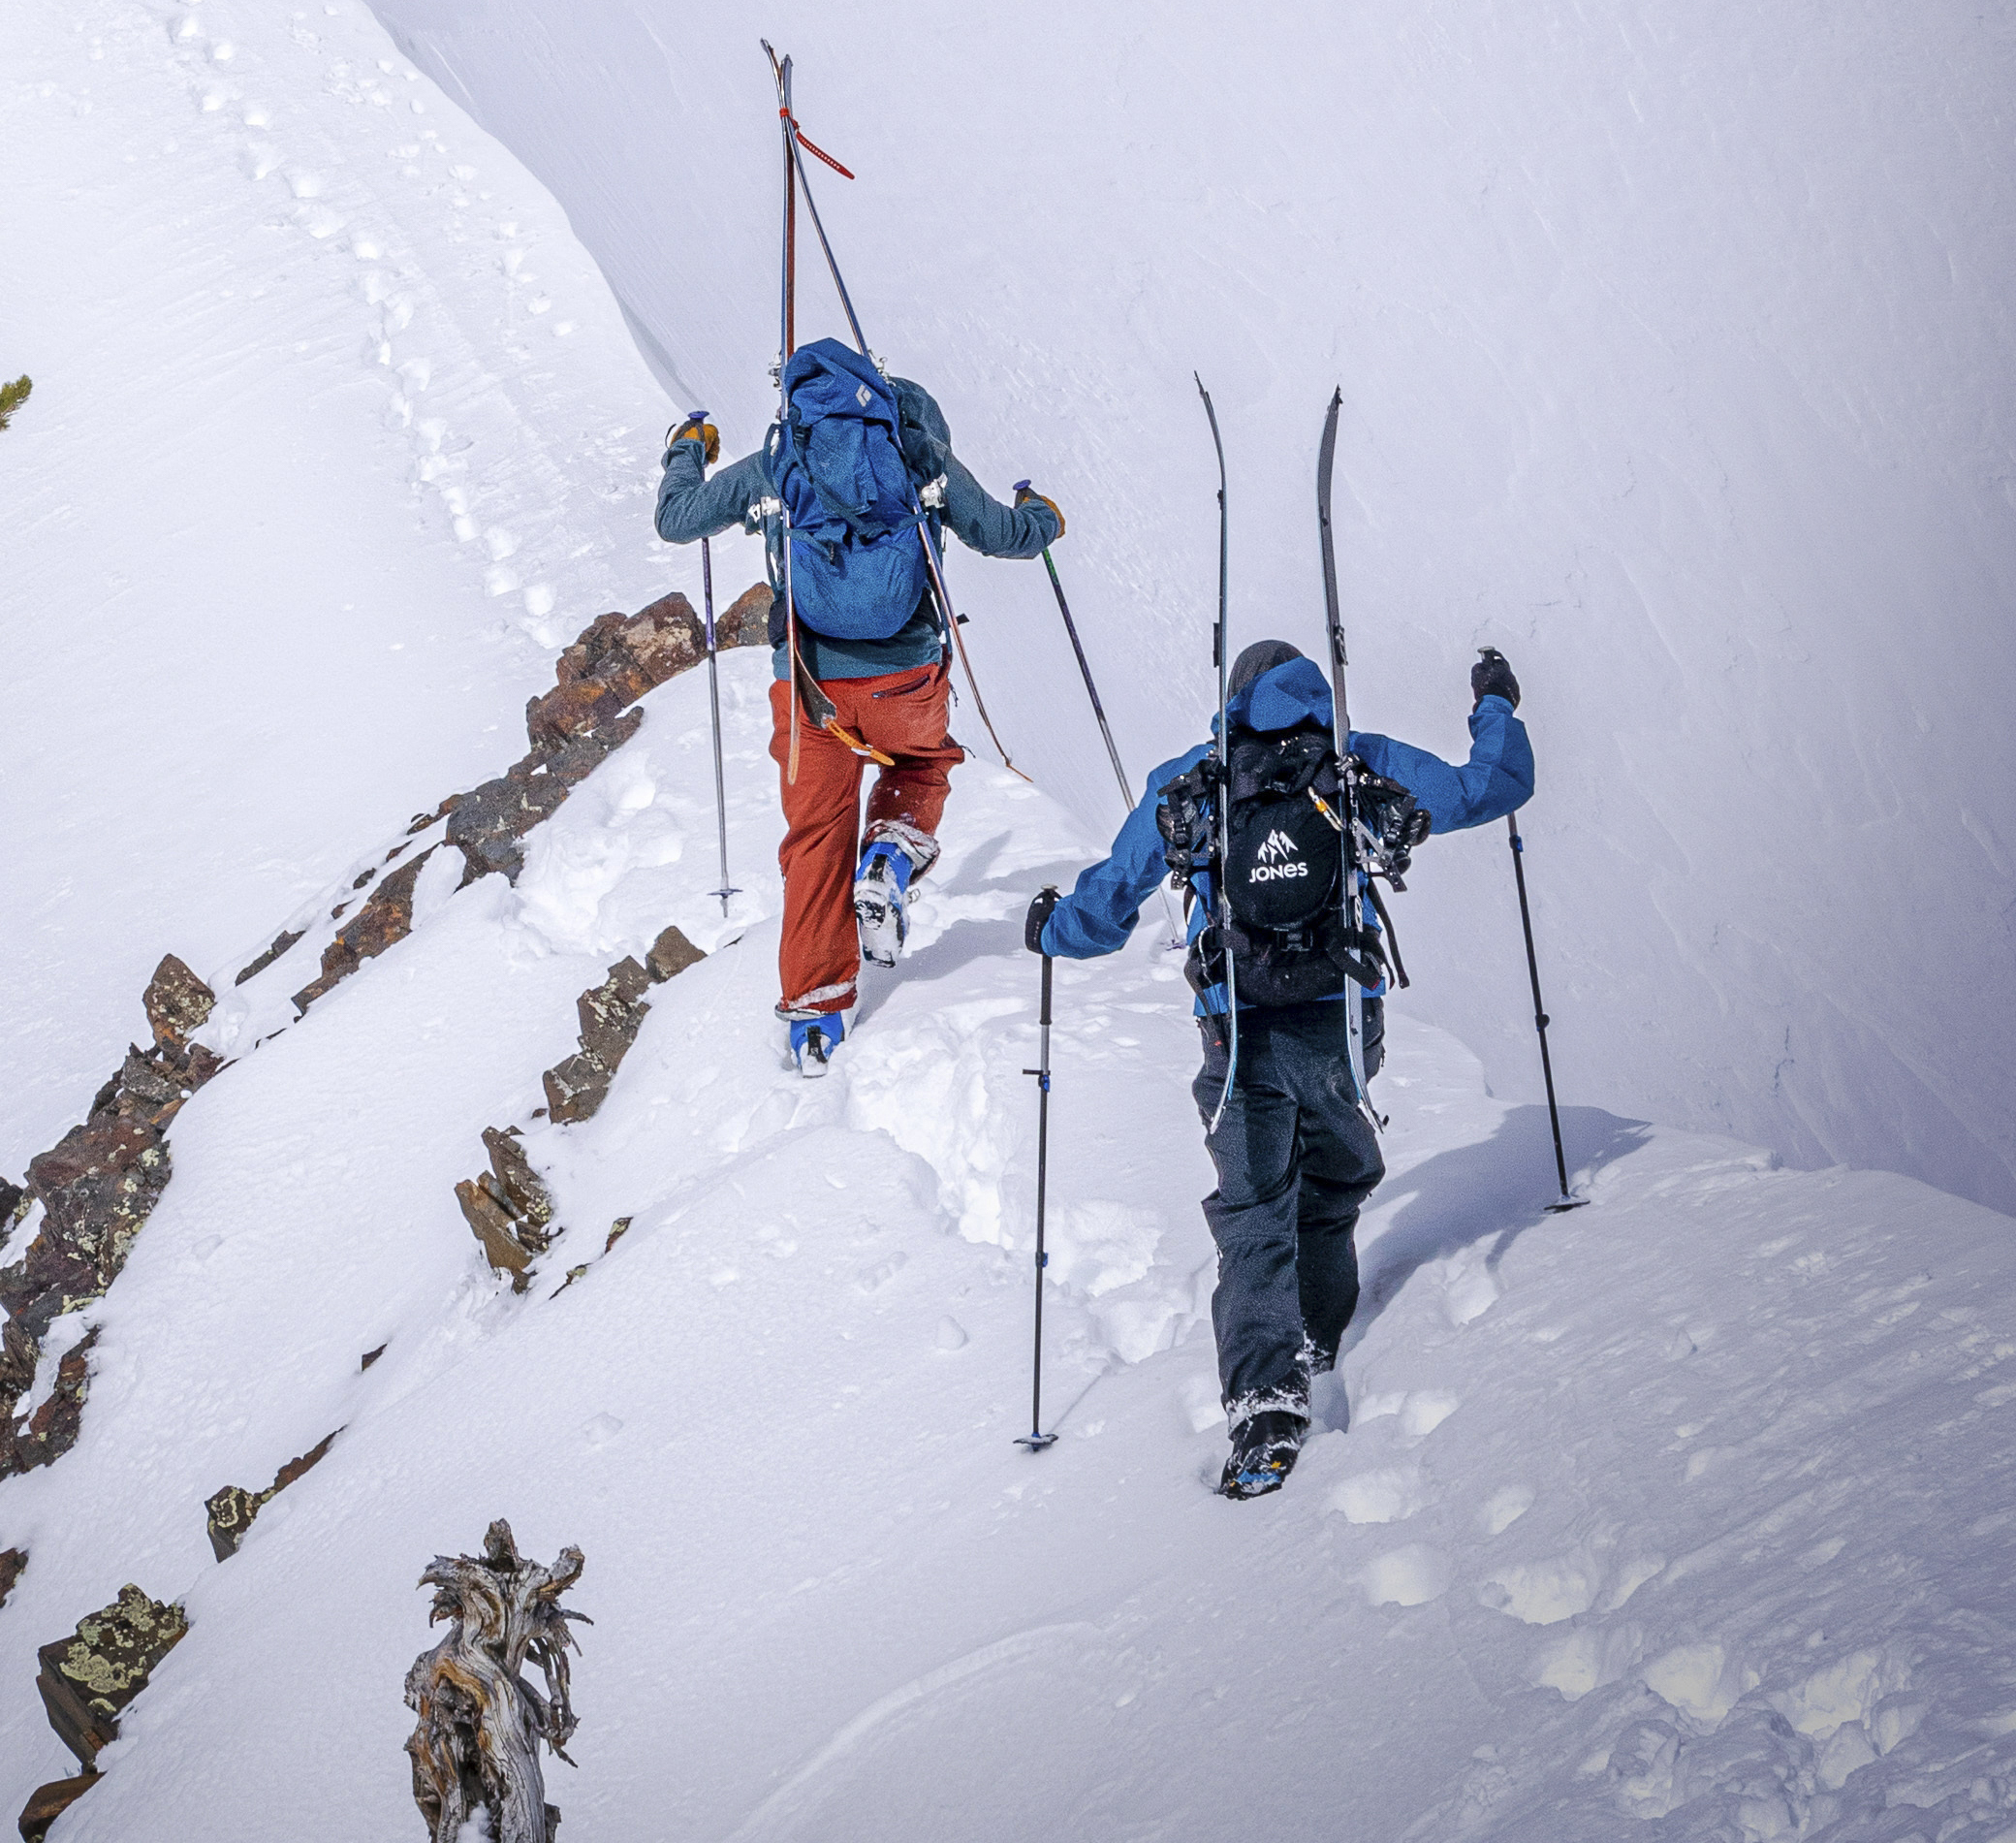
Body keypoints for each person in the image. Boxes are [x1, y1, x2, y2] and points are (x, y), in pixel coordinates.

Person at [1028, 641, 1534, 1498]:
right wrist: (1495, 705)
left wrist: (1052, 928)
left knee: (1255, 1209)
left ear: (1234, 700)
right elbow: (1494, 787)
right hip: (1341, 1018)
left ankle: (1267, 1403)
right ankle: (1321, 1339)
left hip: (1237, 1030)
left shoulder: (1199, 778)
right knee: (1331, 1186)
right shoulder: (1355, 763)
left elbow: (1112, 899)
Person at [657, 337, 1061, 1075]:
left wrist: (686, 449)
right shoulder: (914, 450)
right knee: (925, 764)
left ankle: (817, 1016)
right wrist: (1043, 515)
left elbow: (679, 519)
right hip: (904, 676)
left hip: (807, 683)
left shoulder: (785, 459)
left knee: (814, 837)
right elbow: (1007, 536)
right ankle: (891, 853)